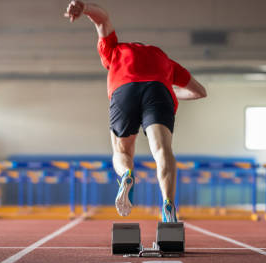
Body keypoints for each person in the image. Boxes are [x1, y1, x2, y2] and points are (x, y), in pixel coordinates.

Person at [64, 1, 207, 222]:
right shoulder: (165, 60)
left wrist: (83, 8)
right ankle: (168, 204)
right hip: (160, 90)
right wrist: (170, 91)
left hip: (125, 89)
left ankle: (127, 175)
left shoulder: (115, 50)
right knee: (162, 150)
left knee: (122, 151)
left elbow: (102, 19)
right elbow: (199, 91)